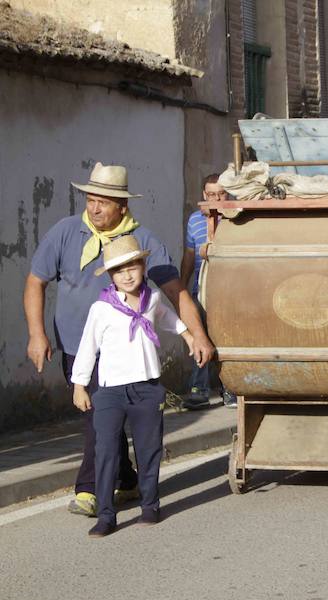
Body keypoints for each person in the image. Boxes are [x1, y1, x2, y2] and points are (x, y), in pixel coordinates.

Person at [24, 163, 216, 518]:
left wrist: (197, 335)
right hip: (76, 346)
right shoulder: (66, 232)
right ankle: (127, 480)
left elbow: (174, 291)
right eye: (90, 200)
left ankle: (88, 489)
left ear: (122, 207)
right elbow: (36, 281)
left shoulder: (143, 241)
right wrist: (37, 334)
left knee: (99, 418)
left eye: (103, 202)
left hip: (125, 354)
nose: (94, 208)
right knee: (101, 417)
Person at [72, 236, 194, 537]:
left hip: (147, 388)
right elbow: (87, 347)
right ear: (111, 276)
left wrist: (189, 336)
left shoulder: (152, 298)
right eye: (118, 270)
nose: (127, 275)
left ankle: (151, 506)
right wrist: (79, 385)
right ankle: (106, 515)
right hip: (110, 391)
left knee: (149, 449)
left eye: (132, 267)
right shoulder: (101, 308)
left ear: (143, 267)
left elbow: (168, 318)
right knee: (106, 451)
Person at [180, 174, 237, 409]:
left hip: (228, 292)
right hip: (200, 291)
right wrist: (182, 287)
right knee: (200, 337)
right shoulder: (194, 220)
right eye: (211, 194)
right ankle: (199, 390)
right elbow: (189, 254)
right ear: (204, 195)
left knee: (226, 340)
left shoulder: (235, 220)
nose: (216, 198)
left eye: (221, 193)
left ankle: (230, 389)